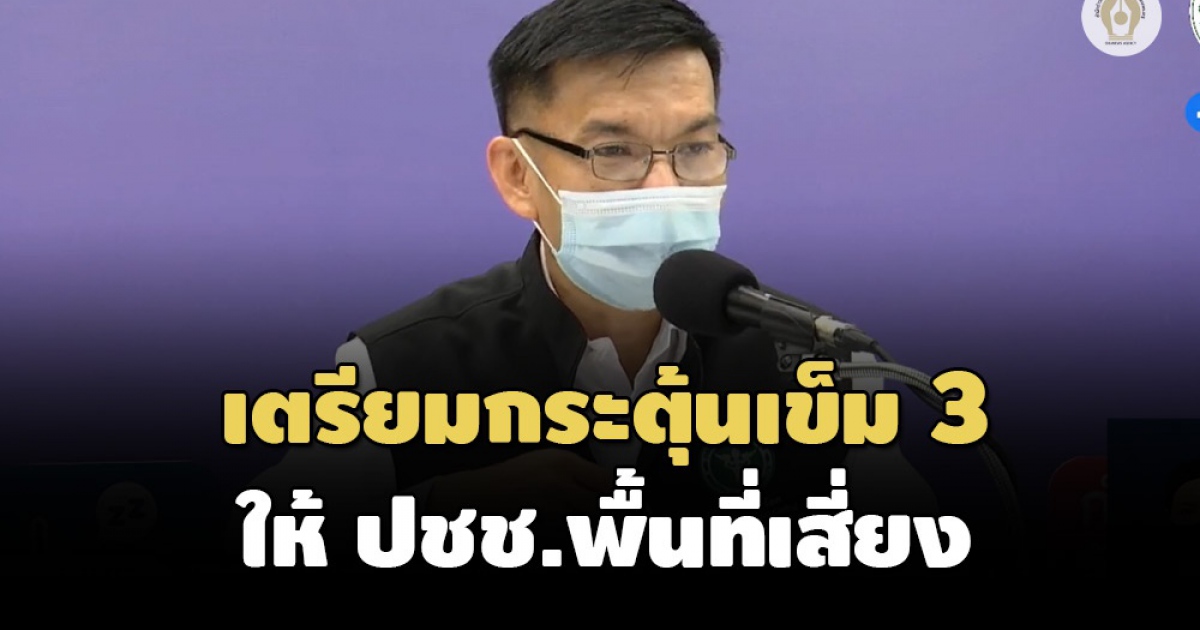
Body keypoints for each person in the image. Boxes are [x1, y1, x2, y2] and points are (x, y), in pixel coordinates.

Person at [247, 0, 938, 570]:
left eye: (695, 148)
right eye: (614, 151)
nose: (665, 187)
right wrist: (430, 517)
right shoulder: (398, 369)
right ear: (518, 176)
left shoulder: (817, 364)